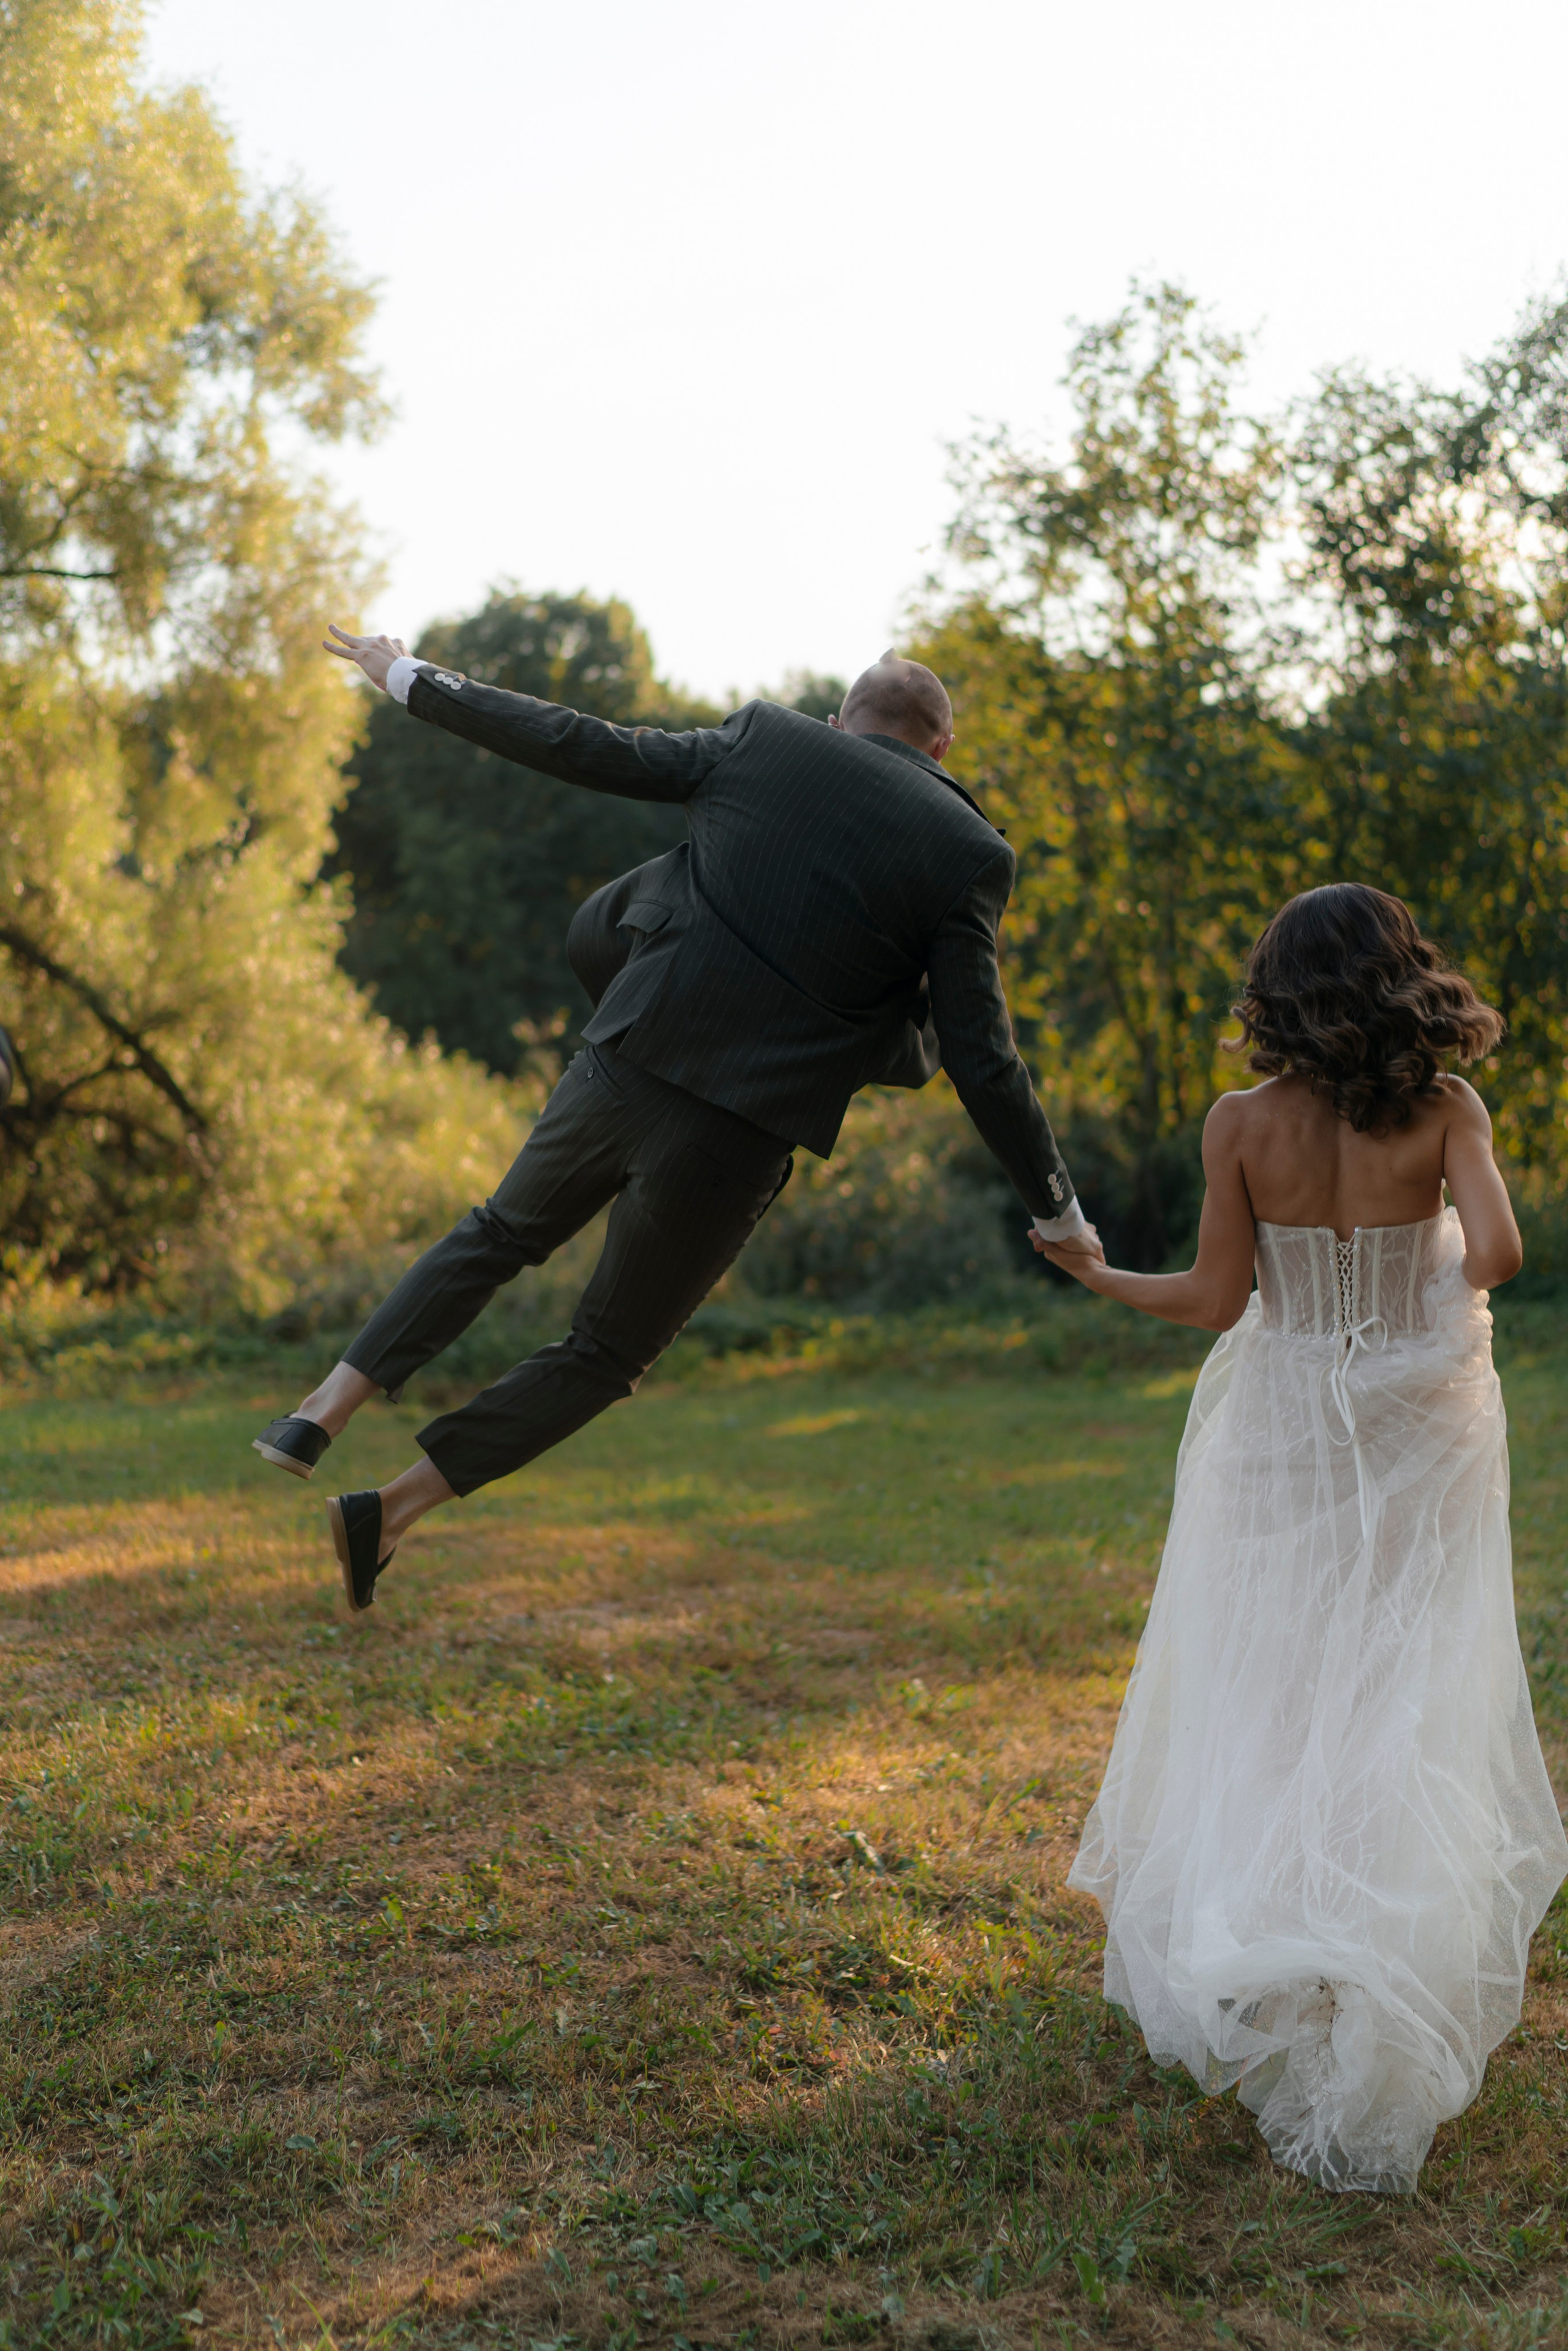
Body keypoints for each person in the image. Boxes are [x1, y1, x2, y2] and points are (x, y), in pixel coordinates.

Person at [254, 627, 1100, 1606]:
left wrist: (407, 678)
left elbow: (578, 740)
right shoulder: (970, 852)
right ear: (942, 748)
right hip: (735, 1137)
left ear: (840, 717)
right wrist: (1059, 1212)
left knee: (496, 1234)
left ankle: (321, 1410)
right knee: (605, 1352)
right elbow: (983, 1058)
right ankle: (393, 1507)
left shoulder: (764, 739)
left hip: (628, 1057)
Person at [1035, 883, 1567, 2195]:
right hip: (1413, 1423)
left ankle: (1271, 1930)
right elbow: (1495, 1255)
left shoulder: (1238, 1123)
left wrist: (1100, 1272)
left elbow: (1219, 1297)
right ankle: (1367, 1926)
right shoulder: (1445, 1108)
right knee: (1396, 1671)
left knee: (1276, 1669)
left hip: (1277, 1421)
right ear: (1402, 974)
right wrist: (1415, 1271)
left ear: (1275, 988)